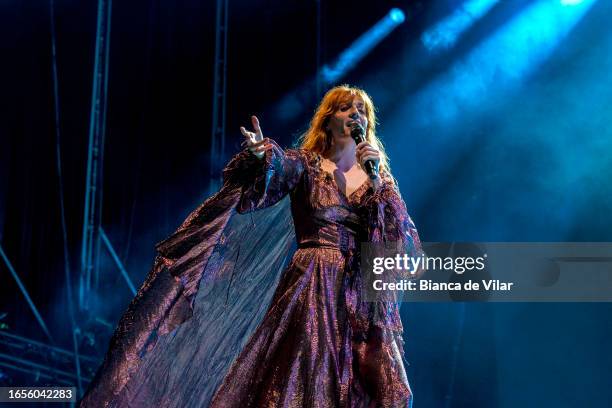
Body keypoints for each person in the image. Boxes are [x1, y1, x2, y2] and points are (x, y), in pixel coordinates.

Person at [79, 85, 422, 407]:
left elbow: (399, 240)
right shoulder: (307, 165)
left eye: (361, 110)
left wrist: (376, 180)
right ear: (329, 120)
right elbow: (277, 168)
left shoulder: (379, 180)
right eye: (345, 108)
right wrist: (263, 154)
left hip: (358, 298)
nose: (354, 115)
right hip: (313, 281)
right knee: (303, 377)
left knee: (389, 387)